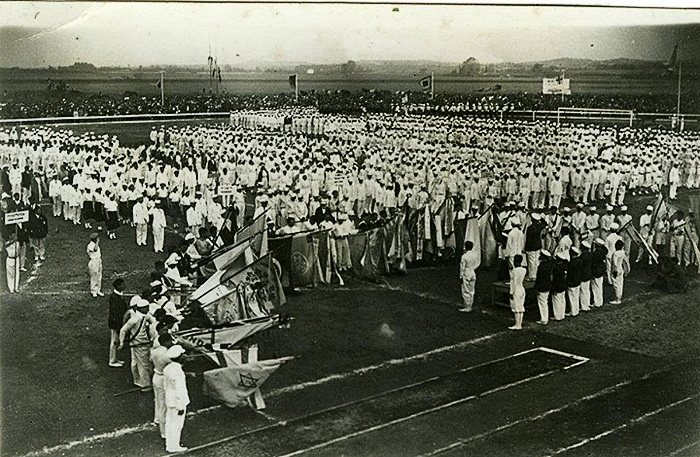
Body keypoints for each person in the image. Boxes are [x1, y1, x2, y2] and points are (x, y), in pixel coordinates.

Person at [119, 299, 156, 391]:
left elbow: (153, 321)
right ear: (142, 308)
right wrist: (121, 342)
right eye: (147, 307)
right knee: (144, 364)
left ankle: (137, 380)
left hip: (138, 343)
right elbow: (123, 330)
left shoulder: (144, 316)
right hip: (140, 344)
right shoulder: (134, 319)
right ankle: (145, 385)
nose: (148, 309)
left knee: (136, 362)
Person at [164, 344, 190, 453]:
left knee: (170, 422)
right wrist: (181, 405)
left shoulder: (168, 368)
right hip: (177, 401)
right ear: (180, 357)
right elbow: (180, 390)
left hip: (169, 399)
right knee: (177, 425)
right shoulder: (178, 372)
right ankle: (174, 446)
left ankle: (169, 444)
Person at [151, 333, 174, 440]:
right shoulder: (167, 355)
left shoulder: (154, 351)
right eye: (170, 341)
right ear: (165, 342)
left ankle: (157, 419)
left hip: (156, 376)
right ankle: (163, 431)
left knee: (158, 401)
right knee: (163, 406)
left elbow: (151, 360)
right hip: (163, 378)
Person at [108, 278, 127, 367]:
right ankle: (112, 361)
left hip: (117, 322)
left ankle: (115, 358)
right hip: (116, 323)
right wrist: (119, 325)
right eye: (122, 284)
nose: (124, 285)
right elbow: (115, 314)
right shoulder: (115, 298)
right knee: (114, 341)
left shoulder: (118, 295)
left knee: (115, 341)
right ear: (118, 286)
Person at [459, 240, 480, 313]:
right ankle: (470, 305)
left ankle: (467, 306)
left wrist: (461, 276)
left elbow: (462, 267)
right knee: (472, 290)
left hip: (467, 272)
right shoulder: (475, 255)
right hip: (473, 272)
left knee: (465, 290)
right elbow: (477, 263)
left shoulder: (464, 256)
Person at [534, 250, 553, 325]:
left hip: (542, 287)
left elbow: (539, 278)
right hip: (547, 286)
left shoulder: (541, 267)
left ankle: (544, 319)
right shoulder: (549, 265)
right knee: (545, 302)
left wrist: (536, 287)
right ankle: (545, 317)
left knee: (542, 303)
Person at [509, 254, 526, 330]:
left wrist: (511, 292)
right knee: (521, 306)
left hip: (516, 290)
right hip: (521, 289)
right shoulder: (524, 270)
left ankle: (517, 324)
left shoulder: (514, 271)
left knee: (516, 307)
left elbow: (514, 282)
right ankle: (519, 323)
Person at [610, 239, 630, 305]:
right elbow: (626, 262)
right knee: (620, 284)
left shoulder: (615, 254)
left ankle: (617, 299)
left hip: (616, 270)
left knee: (616, 285)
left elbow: (615, 263)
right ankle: (619, 297)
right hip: (621, 269)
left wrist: (615, 271)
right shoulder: (622, 252)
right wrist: (627, 270)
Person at [551, 252, 568, 321]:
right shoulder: (564, 267)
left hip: (557, 286)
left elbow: (554, 278)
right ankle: (562, 314)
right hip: (563, 285)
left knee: (556, 301)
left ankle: (557, 316)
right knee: (562, 300)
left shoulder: (556, 268)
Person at [591, 238, 608, 308]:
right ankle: (600, 301)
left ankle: (597, 302)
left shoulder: (596, 253)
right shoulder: (603, 251)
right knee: (599, 287)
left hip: (596, 271)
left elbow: (593, 263)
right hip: (601, 271)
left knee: (595, 287)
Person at [86, 232, 104, 297]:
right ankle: (93, 291)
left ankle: (98, 290)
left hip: (98, 260)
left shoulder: (94, 244)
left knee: (99, 276)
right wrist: (97, 242)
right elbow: (95, 249)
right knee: (94, 276)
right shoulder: (90, 245)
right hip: (93, 262)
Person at [566, 247, 582, 317]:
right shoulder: (579, 260)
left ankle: (573, 311)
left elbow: (570, 273)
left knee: (572, 297)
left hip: (572, 281)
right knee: (576, 296)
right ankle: (576, 309)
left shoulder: (572, 263)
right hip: (578, 280)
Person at [579, 240, 593, 312]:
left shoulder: (582, 256)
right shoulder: (590, 254)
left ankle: (584, 306)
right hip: (588, 273)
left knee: (583, 291)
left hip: (583, 274)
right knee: (587, 290)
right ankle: (587, 303)